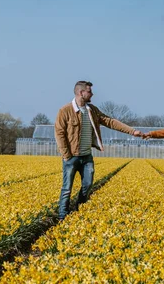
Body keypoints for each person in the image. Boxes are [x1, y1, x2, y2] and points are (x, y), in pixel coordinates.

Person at [54, 80, 142, 220]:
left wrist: (132, 131)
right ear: (81, 93)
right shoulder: (65, 111)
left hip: (86, 156)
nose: (92, 94)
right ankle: (62, 216)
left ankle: (78, 209)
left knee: (88, 184)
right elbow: (59, 133)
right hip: (71, 156)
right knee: (67, 188)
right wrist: (66, 155)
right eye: (89, 91)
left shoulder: (92, 110)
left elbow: (109, 121)